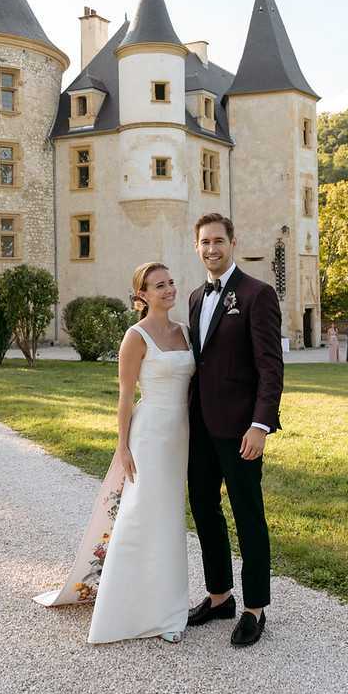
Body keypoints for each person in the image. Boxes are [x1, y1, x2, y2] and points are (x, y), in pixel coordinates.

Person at [34, 262, 193, 645]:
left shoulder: (185, 332)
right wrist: (122, 444)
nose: (169, 290)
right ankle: (123, 611)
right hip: (150, 435)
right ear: (142, 295)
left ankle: (168, 607)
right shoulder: (135, 337)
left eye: (171, 283)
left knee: (171, 518)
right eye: (159, 286)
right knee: (140, 516)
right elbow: (124, 396)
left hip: (181, 435)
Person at [186, 213, 283, 648]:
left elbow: (270, 367)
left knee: (248, 516)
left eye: (218, 241)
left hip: (242, 429)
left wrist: (260, 425)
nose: (212, 249)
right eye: (205, 242)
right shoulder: (193, 297)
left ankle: (255, 607)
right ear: (197, 247)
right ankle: (220, 595)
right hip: (200, 429)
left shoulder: (257, 294)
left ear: (233, 242)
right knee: (204, 509)